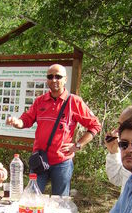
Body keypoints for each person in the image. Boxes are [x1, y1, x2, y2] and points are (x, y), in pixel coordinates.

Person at [6, 64, 101, 195]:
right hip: (40, 159)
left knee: (60, 203)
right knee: (32, 198)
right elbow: (26, 120)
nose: (54, 80)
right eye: (50, 76)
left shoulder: (74, 102)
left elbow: (95, 125)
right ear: (47, 80)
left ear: (65, 79)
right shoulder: (40, 101)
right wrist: (17, 122)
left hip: (62, 162)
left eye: (58, 76)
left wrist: (78, 145)